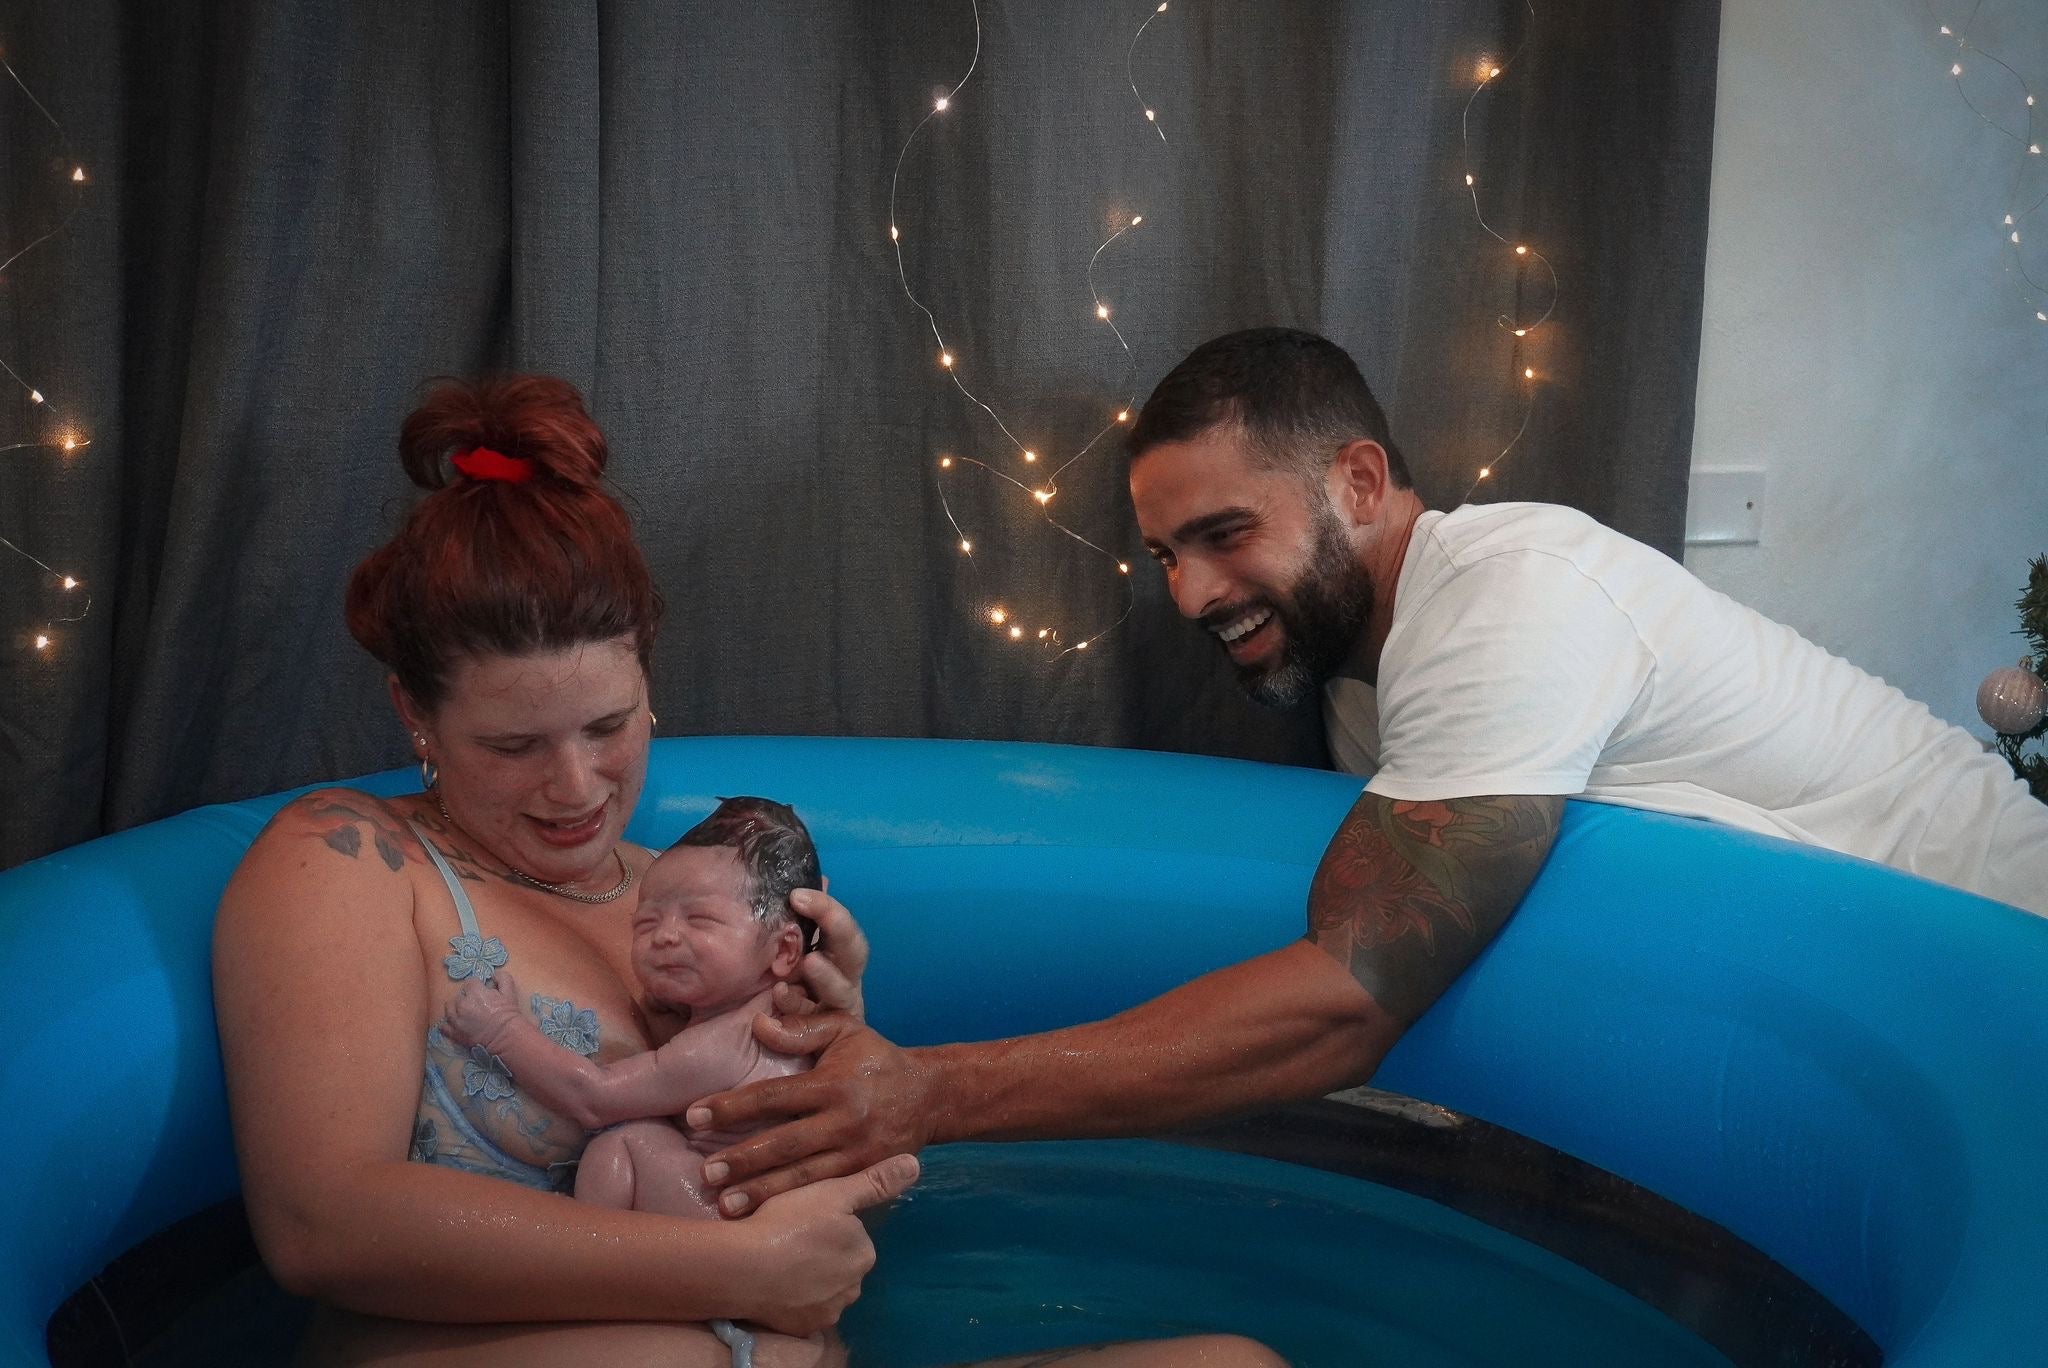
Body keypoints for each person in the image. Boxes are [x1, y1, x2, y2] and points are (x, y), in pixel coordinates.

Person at [681, 326, 2048, 1226]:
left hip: (2007, 972)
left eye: (1224, 534)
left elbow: (1347, 1003)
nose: (1195, 593)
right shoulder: (1357, 660)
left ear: (1358, 479)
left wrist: (925, 1090)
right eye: (1165, 555)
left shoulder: (1514, 601)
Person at [212, 373, 1285, 1368]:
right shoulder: (350, 861)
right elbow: (324, 1225)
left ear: (649, 680)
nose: (575, 787)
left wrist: (827, 1069)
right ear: (415, 713)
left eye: (607, 726)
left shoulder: (688, 895)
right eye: (514, 747)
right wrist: (735, 1273)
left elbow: (818, 1233)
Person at [443, 796, 823, 1221]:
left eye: (699, 920)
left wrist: (502, 1030)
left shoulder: (732, 1040)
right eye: (646, 922)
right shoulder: (778, 1014)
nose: (664, 937)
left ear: (786, 949)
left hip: (738, 1227)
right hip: (773, 1212)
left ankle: (588, 1259)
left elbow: (596, 1096)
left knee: (626, 1141)